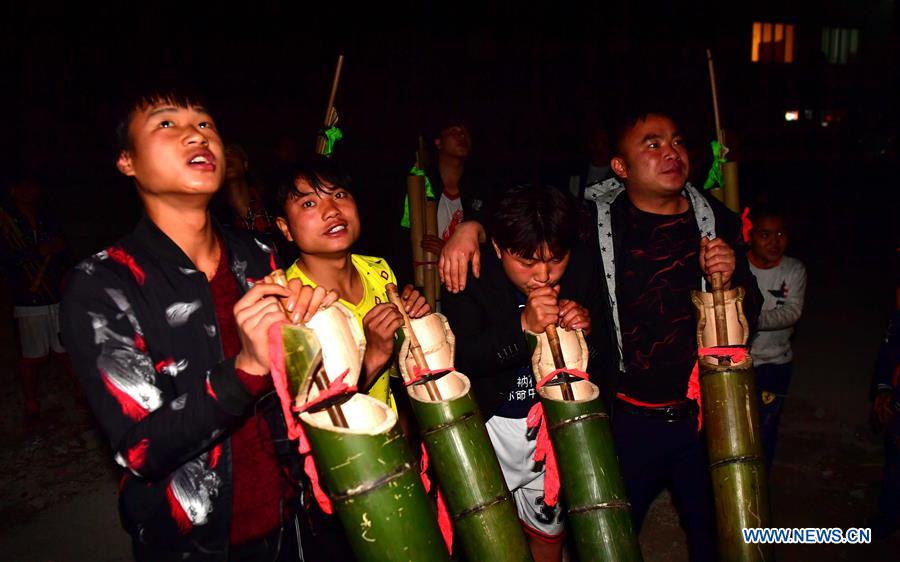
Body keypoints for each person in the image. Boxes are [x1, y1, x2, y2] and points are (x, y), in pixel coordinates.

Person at [439, 110, 763, 562]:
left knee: (715, 525)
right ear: (620, 166)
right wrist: (469, 229)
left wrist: (729, 285)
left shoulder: (716, 221)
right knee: (605, 530)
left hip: (703, 408)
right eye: (652, 144)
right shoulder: (595, 220)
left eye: (676, 140)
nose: (669, 152)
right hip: (623, 413)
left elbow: (750, 315)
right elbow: (524, 223)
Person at [61, 88, 336, 561]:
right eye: (167, 125)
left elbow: (292, 396)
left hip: (290, 519)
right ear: (127, 161)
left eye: (206, 124)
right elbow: (139, 448)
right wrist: (245, 368)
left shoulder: (258, 255)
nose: (196, 134)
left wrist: (323, 337)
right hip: (192, 541)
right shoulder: (102, 284)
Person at [442, 184, 602, 562]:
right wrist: (522, 327)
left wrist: (585, 332)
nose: (543, 274)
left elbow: (605, 358)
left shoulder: (580, 270)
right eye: (527, 262)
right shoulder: (472, 274)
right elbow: (460, 359)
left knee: (548, 533)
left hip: (551, 433)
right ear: (497, 248)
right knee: (484, 537)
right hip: (489, 431)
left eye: (555, 259)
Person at [274, 157, 430, 411]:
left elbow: (395, 374)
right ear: (285, 228)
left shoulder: (379, 271)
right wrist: (373, 355)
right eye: (309, 203)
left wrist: (411, 327)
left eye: (339, 194)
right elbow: (318, 412)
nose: (332, 210)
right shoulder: (289, 301)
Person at [0, 177, 73, 429]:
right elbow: (5, 261)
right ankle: (31, 403)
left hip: (56, 295)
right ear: (13, 190)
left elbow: (65, 252)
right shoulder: (7, 225)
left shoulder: (47, 219)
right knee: (32, 357)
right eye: (21, 186)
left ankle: (83, 394)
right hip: (28, 298)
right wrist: (35, 252)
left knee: (67, 349)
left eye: (32, 185)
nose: (28, 191)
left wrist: (65, 271)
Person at [746, 204, 807, 469]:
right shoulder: (737, 266)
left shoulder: (793, 270)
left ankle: (762, 483)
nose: (774, 242)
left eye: (780, 234)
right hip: (740, 361)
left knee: (766, 428)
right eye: (765, 235)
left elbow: (792, 312)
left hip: (775, 361)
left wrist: (749, 319)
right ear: (750, 236)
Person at [216, 143, 276, 235]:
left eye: (232, 152)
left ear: (245, 164)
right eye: (221, 155)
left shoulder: (272, 202)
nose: (226, 157)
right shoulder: (215, 219)